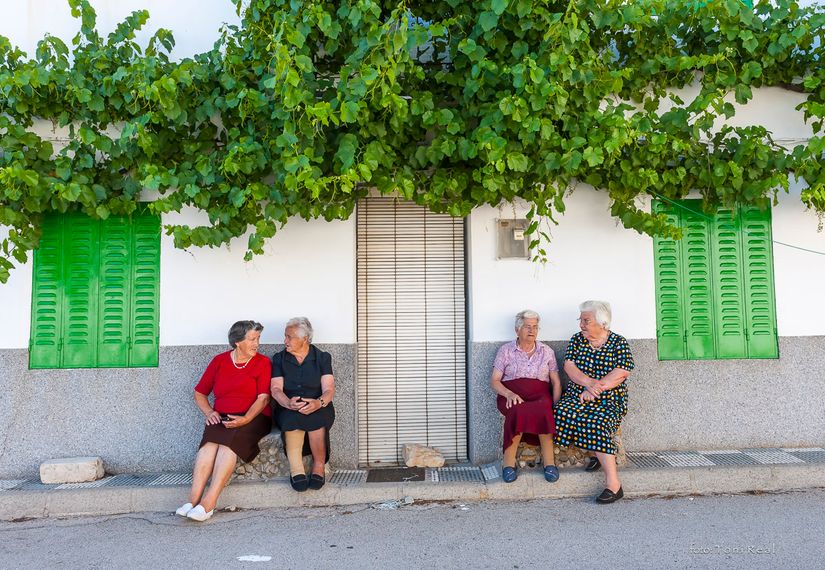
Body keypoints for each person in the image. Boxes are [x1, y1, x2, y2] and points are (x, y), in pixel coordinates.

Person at [176, 320, 272, 521]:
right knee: (209, 447)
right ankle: (192, 500)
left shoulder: (262, 362)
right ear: (238, 342)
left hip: (254, 417)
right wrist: (209, 412)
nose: (257, 343)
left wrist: (245, 418)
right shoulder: (219, 361)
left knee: (228, 446)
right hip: (222, 415)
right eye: (253, 339)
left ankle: (208, 503)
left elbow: (263, 398)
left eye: (258, 338)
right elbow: (199, 392)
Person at [554, 301, 635, 504]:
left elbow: (622, 372)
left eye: (586, 320)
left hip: (609, 399)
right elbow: (569, 366)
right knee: (561, 411)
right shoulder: (577, 340)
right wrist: (589, 384)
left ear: (603, 323)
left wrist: (596, 390)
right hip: (578, 395)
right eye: (580, 320)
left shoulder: (618, 342)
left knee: (597, 421)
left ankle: (614, 485)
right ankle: (595, 453)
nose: (581, 324)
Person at [490, 310, 562, 483]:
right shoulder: (506, 351)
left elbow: (556, 383)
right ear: (517, 330)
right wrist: (509, 393)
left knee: (544, 409)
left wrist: (556, 406)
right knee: (517, 409)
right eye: (528, 326)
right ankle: (508, 465)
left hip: (540, 395)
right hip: (511, 394)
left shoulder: (547, 351)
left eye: (535, 327)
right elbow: (494, 381)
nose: (532, 330)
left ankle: (549, 464)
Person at [270, 317, 335, 492]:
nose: (285, 341)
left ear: (304, 339)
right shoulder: (279, 358)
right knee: (291, 420)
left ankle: (319, 466)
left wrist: (318, 403)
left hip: (318, 404)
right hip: (288, 405)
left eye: (289, 337)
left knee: (316, 419)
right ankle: (296, 470)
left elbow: (329, 390)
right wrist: (287, 402)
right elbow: (275, 389)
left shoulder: (322, 357)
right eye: (285, 336)